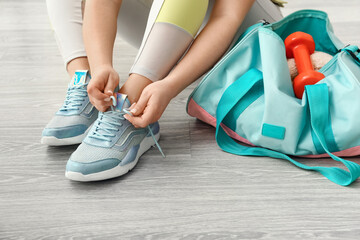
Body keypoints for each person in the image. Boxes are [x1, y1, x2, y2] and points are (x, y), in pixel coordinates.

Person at [43, 0, 283, 182]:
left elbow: (227, 16)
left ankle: (130, 103)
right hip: (175, 19)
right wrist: (100, 66)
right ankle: (86, 83)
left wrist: (169, 86)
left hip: (245, 29)